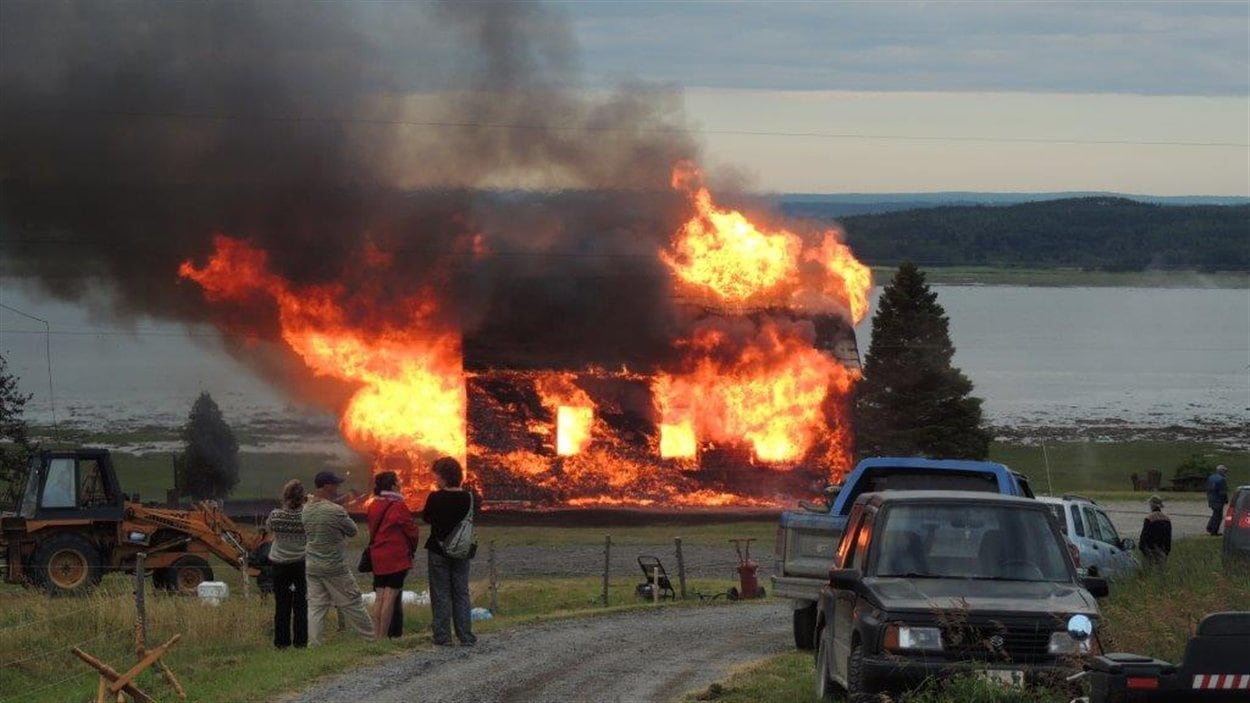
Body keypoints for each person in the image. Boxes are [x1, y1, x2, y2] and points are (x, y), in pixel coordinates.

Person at [303, 470, 375, 645]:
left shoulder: (306, 509)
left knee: (316, 606)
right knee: (353, 601)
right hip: (334, 565)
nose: (338, 486)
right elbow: (353, 531)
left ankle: (314, 644)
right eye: (335, 484)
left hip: (312, 564)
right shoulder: (335, 511)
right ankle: (371, 638)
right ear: (326, 485)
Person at [421, 456, 477, 647]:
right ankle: (466, 635)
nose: (435, 480)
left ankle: (443, 636)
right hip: (461, 550)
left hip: (438, 549)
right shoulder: (470, 497)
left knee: (440, 593)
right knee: (461, 592)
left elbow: (426, 517)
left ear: (444, 477)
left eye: (437, 476)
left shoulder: (435, 497)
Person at [367, 470, 418, 639]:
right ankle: (383, 637)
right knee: (390, 597)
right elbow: (411, 531)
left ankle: (376, 635)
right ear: (393, 485)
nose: (401, 483)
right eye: (398, 481)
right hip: (395, 558)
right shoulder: (398, 506)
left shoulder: (373, 505)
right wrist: (412, 548)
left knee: (380, 596)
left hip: (378, 556)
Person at [266, 479, 308, 648]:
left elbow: (269, 528)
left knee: (281, 604)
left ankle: (281, 642)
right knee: (301, 604)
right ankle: (301, 641)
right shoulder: (306, 515)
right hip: (301, 562)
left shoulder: (275, 515)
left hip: (279, 563)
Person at [1138, 495, 1172, 566]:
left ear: (1152, 505)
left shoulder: (1149, 518)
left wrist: (1142, 548)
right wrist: (1166, 552)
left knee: (1149, 570)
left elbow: (1144, 536)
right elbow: (1168, 537)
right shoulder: (1167, 519)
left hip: (1150, 550)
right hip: (1162, 551)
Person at [1206, 464, 1229, 536]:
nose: (1225, 473)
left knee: (1215, 514)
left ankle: (1210, 527)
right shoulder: (1222, 479)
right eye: (1225, 471)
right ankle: (1214, 531)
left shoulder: (1211, 477)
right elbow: (1223, 492)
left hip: (1211, 498)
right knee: (1218, 516)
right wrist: (1226, 500)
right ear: (1221, 471)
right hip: (1218, 499)